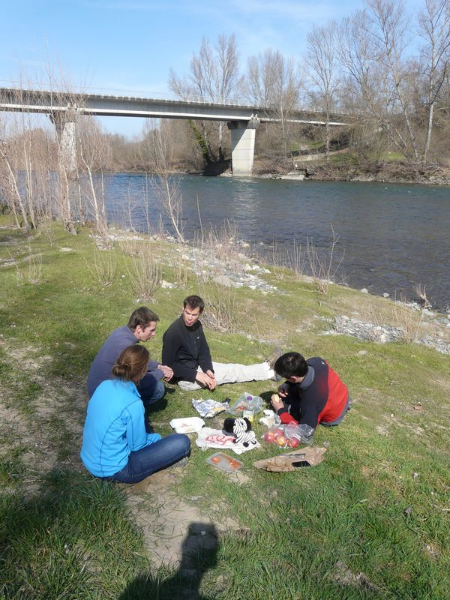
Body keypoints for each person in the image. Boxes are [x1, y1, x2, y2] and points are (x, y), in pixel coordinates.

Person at [81, 345, 190, 483]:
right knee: (181, 441)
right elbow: (137, 446)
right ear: (143, 372)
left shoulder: (104, 385)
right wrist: (157, 438)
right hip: (115, 470)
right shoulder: (133, 403)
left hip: (89, 458)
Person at [162, 295, 278, 391]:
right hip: (185, 379)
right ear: (183, 308)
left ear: (200, 313)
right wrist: (196, 375)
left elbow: (203, 350)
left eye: (194, 315)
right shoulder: (173, 333)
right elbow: (167, 366)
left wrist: (208, 369)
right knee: (231, 372)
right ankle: (269, 374)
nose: (190, 318)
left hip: (196, 367)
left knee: (231, 368)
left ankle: (265, 366)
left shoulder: (197, 325)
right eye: (187, 313)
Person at [87, 307, 173, 406]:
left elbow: (137, 360)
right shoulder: (125, 346)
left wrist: (158, 366)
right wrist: (161, 372)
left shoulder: (121, 332)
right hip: (103, 397)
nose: (154, 334)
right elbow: (138, 380)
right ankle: (129, 407)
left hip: (99, 387)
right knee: (158, 388)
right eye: (152, 330)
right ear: (139, 329)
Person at [270, 352, 350, 431]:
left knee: (286, 404)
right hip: (342, 395)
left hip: (335, 416)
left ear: (293, 378)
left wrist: (280, 410)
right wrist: (288, 384)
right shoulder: (315, 361)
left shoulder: (310, 401)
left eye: (285, 378)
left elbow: (305, 431)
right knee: (292, 392)